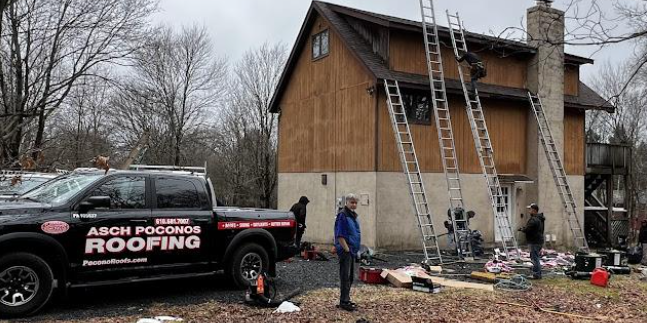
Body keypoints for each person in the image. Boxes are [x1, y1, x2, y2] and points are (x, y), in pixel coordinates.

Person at [334, 194, 361, 312]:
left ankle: (346, 299)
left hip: (351, 250)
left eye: (355, 203)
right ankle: (344, 301)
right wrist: (346, 249)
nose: (354, 205)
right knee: (345, 276)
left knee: (349, 277)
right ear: (347, 203)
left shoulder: (352, 216)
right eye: (352, 202)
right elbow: (340, 235)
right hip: (346, 250)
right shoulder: (343, 216)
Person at [519, 203, 545, 279]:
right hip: (538, 241)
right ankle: (537, 273)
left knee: (535, 258)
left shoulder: (534, 219)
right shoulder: (540, 218)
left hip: (534, 241)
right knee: (535, 257)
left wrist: (522, 229)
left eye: (530, 209)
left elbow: (528, 229)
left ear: (534, 210)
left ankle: (537, 274)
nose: (529, 211)